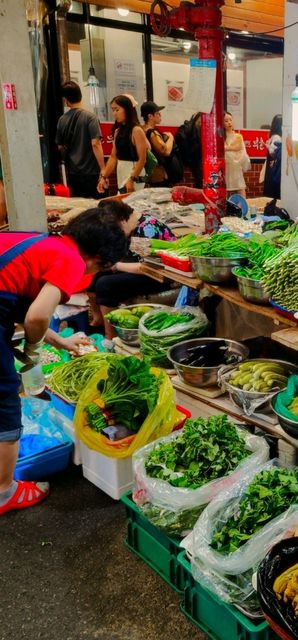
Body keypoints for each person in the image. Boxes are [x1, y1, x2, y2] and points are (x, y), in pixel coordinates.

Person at [0, 209, 127, 516]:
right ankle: (5, 492)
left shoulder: (44, 242)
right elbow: (37, 316)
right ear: (100, 259)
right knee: (5, 401)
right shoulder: (72, 262)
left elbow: (19, 300)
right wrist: (31, 355)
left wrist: (60, 341)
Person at [87, 200, 176, 338]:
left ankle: (110, 336)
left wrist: (115, 266)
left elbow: (147, 267)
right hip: (134, 268)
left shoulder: (148, 228)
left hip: (158, 275)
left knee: (105, 284)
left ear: (122, 220)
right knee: (94, 275)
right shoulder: (130, 227)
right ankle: (98, 318)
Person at [55, 81, 105, 199]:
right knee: (96, 208)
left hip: (74, 173)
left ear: (65, 100)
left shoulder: (62, 120)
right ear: (80, 95)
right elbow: (96, 144)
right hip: (92, 173)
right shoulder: (90, 117)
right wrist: (103, 168)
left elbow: (60, 146)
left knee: (80, 208)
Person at [97, 95, 150, 195]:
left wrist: (131, 179)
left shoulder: (137, 130)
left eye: (117, 110)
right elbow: (113, 157)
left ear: (127, 109)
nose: (114, 113)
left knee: (133, 205)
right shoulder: (118, 132)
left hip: (135, 173)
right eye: (113, 110)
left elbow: (142, 159)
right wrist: (104, 177)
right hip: (121, 171)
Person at [140, 100, 177, 187]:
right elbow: (165, 151)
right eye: (158, 113)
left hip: (147, 173)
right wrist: (170, 137)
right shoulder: (152, 132)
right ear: (150, 116)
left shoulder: (140, 130)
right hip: (157, 175)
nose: (160, 116)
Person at [223, 111, 249, 198]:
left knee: (240, 187)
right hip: (225, 167)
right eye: (226, 121)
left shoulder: (238, 136)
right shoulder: (220, 136)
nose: (229, 122)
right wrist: (233, 149)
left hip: (236, 166)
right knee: (224, 188)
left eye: (230, 120)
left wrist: (236, 161)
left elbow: (243, 152)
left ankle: (244, 207)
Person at [263, 114, 282, 200]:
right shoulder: (277, 138)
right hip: (276, 169)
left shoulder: (273, 136)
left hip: (271, 169)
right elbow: (273, 152)